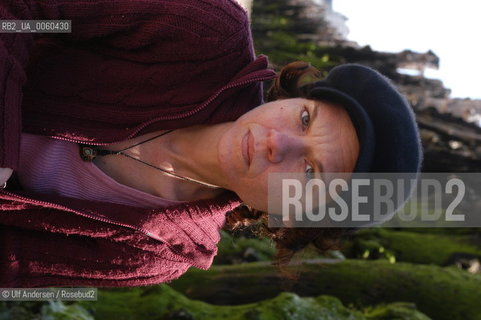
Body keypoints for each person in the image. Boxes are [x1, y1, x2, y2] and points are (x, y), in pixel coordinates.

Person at [0, 0, 422, 287]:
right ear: (296, 96)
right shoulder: (205, 33)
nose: (278, 142)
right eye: (305, 118)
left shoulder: (155, 255)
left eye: (311, 172)